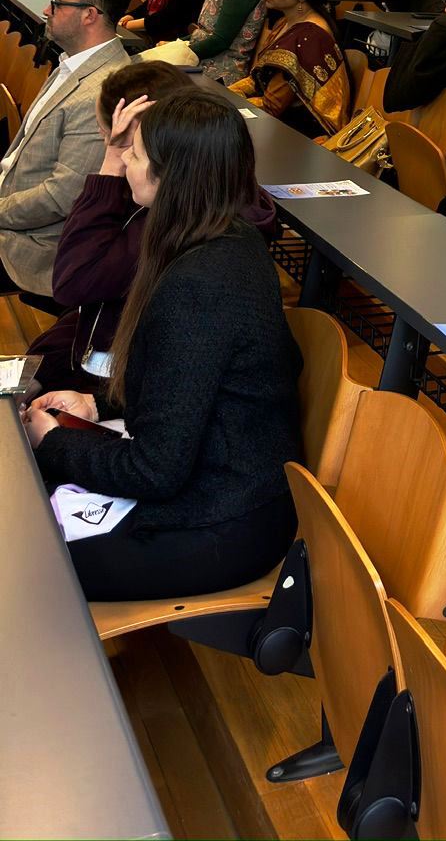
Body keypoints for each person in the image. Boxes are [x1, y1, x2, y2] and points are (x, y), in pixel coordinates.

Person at [25, 90, 302, 601]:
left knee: (20, 554)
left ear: (169, 175)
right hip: (228, 489)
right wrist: (97, 403)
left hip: (220, 523)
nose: (125, 163)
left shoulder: (198, 284)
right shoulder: (228, 238)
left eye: (134, 155)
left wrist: (54, 441)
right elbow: (186, 384)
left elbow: (155, 471)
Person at [30, 64, 278, 395]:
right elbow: (96, 310)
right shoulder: (188, 202)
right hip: (116, 381)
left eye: (127, 148)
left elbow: (74, 283)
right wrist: (39, 367)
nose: (118, 155)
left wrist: (109, 169)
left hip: (121, 391)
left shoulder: (182, 235)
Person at [0, 0, 131, 306]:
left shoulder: (101, 91)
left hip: (33, 245)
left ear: (90, 15)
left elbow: (62, 196)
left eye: (57, 4)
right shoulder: (73, 63)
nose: (46, 10)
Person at [229, 0, 352, 138]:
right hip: (273, 121)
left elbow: (271, 107)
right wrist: (228, 94)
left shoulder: (309, 37)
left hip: (297, 135)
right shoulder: (286, 22)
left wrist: (227, 104)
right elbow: (257, 79)